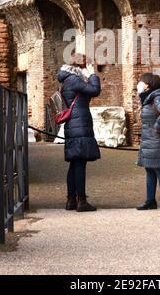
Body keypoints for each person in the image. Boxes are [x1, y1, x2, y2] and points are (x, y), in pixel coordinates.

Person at [57, 53, 101, 212]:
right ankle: (81, 201)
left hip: (73, 124)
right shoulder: (74, 80)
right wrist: (92, 74)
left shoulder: (66, 80)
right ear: (80, 67)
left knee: (74, 164)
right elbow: (95, 90)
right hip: (79, 124)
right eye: (87, 65)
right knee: (80, 163)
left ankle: (71, 200)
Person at [136, 73, 160, 211]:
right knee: (150, 170)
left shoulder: (156, 98)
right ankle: (150, 201)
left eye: (142, 81)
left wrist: (157, 126)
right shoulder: (148, 98)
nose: (139, 83)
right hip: (148, 141)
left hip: (156, 140)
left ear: (149, 85)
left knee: (159, 169)